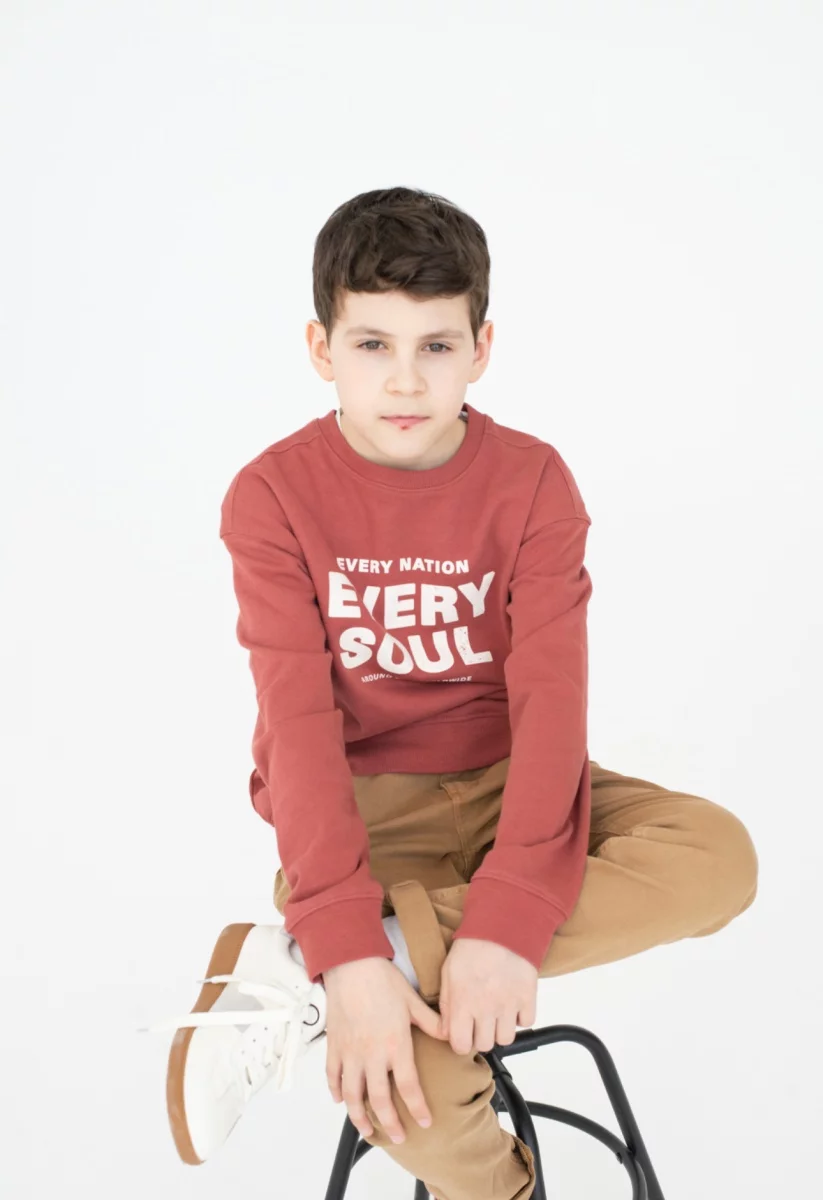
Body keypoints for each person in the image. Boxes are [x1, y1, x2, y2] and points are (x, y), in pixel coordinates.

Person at [143, 186, 759, 1200]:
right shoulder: (273, 494)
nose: (404, 379)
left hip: (520, 788)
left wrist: (499, 926)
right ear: (320, 348)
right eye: (371, 344)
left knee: (719, 858)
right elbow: (295, 728)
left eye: (435, 346)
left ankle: (340, 960)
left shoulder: (531, 481)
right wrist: (352, 920)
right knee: (407, 1087)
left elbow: (553, 703)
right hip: (368, 817)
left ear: (481, 349)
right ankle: (374, 976)